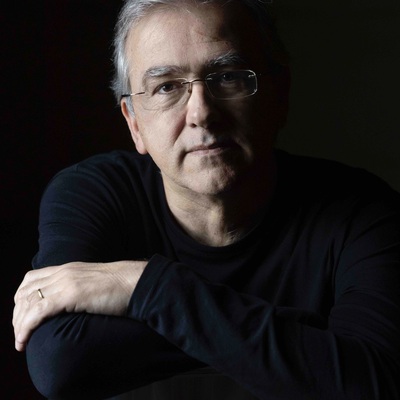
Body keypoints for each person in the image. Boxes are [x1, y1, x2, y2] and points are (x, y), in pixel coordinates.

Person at [13, 0, 400, 399]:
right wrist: (305, 344)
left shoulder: (362, 211)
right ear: (134, 123)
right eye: (167, 87)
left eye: (228, 77)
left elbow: (374, 384)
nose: (201, 112)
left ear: (279, 95)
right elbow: (59, 362)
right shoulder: (95, 193)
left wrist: (146, 287)